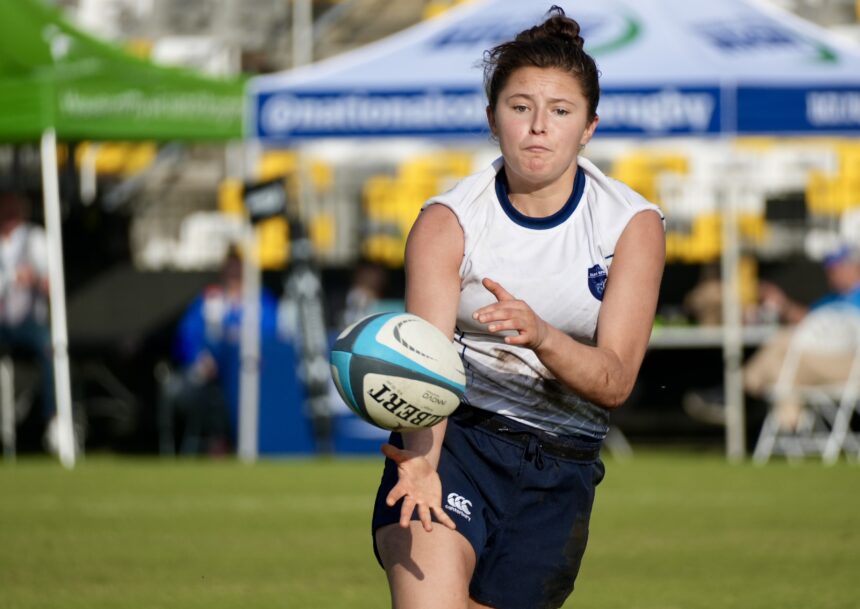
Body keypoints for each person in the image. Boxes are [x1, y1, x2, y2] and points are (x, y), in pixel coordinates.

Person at [370, 8, 666, 609]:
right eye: (520, 107)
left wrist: (543, 336)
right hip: (456, 442)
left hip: (561, 464)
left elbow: (615, 381)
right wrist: (422, 463)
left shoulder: (630, 225)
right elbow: (425, 367)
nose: (538, 127)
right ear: (492, 118)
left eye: (560, 111)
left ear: (589, 127)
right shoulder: (448, 221)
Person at [684, 244, 860, 429]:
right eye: (829, 270)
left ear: (854, 267)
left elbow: (818, 328)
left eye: (836, 269)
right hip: (817, 361)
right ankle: (790, 422)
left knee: (783, 344)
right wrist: (781, 304)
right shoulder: (831, 299)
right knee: (780, 364)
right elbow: (810, 323)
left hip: (850, 363)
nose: (831, 274)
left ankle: (736, 395)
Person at [158, 246, 279, 455]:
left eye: (238, 269)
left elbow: (274, 335)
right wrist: (199, 358)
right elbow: (186, 337)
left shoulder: (260, 301)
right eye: (229, 269)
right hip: (210, 379)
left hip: (251, 376)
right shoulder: (209, 300)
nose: (233, 274)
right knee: (187, 390)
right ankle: (216, 440)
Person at [0, 189, 56, 448]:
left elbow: (50, 281)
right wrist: (12, 278)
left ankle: (54, 419)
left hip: (29, 324)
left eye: (14, 208)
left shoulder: (35, 239)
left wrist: (36, 279)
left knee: (50, 347)